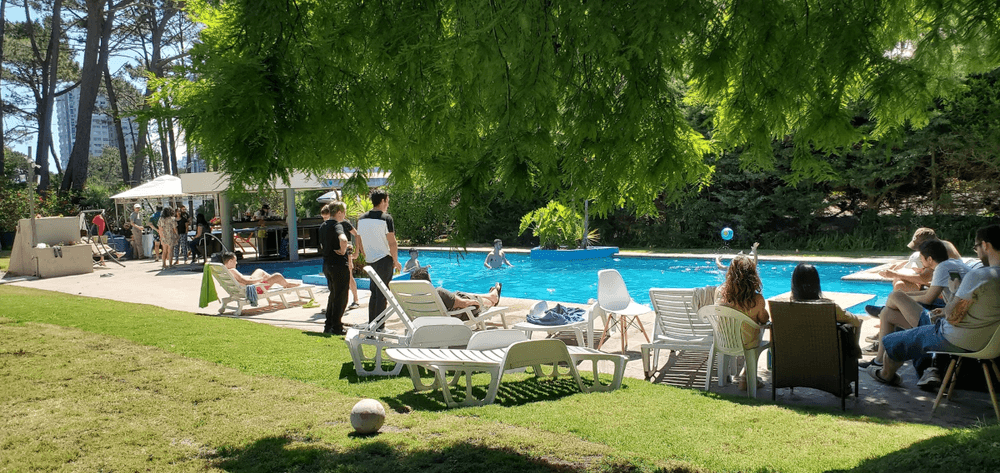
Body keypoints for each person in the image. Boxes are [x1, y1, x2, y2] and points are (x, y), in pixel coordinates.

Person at [869, 225, 1000, 388]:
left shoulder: (980, 276)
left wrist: (949, 306)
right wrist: (946, 310)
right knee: (891, 315)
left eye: (976, 247)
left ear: (985, 245)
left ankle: (885, 375)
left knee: (892, 340)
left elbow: (953, 316)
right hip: (990, 341)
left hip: (957, 338)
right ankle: (885, 313)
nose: (977, 252)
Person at [866, 240, 973, 363]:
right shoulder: (953, 264)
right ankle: (878, 361)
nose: (921, 261)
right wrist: (905, 297)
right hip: (953, 319)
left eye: (921, 258)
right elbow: (931, 293)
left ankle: (890, 307)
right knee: (888, 312)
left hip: (946, 326)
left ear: (930, 259)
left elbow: (928, 298)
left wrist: (902, 299)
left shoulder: (941, 268)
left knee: (894, 297)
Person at [715, 253, 769, 391]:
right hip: (748, 343)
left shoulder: (721, 295)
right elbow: (764, 319)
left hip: (725, 341)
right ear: (753, 276)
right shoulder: (757, 300)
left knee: (752, 330)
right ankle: (747, 376)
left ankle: (738, 376)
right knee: (759, 329)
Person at [356, 189, 401, 323]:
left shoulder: (362, 219)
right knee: (382, 294)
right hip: (383, 260)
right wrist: (396, 261)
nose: (388, 204)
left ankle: (373, 324)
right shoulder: (386, 218)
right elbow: (392, 243)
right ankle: (379, 326)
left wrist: (364, 254)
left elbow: (358, 239)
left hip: (371, 260)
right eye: (387, 201)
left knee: (374, 293)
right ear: (382, 201)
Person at [789, 263, 863, 342]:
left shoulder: (783, 309)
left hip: (790, 353)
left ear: (794, 284)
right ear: (816, 284)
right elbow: (855, 321)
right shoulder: (828, 308)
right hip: (825, 352)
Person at [877, 228, 962, 293]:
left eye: (919, 247)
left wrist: (893, 274)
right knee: (899, 280)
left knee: (900, 285)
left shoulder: (937, 252)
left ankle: (894, 308)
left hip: (947, 292)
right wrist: (900, 266)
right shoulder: (944, 244)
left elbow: (923, 279)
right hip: (946, 285)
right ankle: (893, 306)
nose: (918, 250)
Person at [410, 267, 501, 319]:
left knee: (460, 294)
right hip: (460, 313)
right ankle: (493, 299)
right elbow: (464, 303)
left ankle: (491, 295)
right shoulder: (438, 292)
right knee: (478, 301)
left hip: (446, 308)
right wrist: (476, 303)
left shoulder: (412, 299)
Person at [221, 252, 299, 289]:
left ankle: (272, 281)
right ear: (230, 261)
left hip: (248, 286)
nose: (236, 263)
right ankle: (286, 284)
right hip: (255, 289)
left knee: (259, 270)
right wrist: (261, 279)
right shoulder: (232, 270)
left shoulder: (224, 270)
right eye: (235, 261)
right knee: (277, 275)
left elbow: (243, 281)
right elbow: (246, 282)